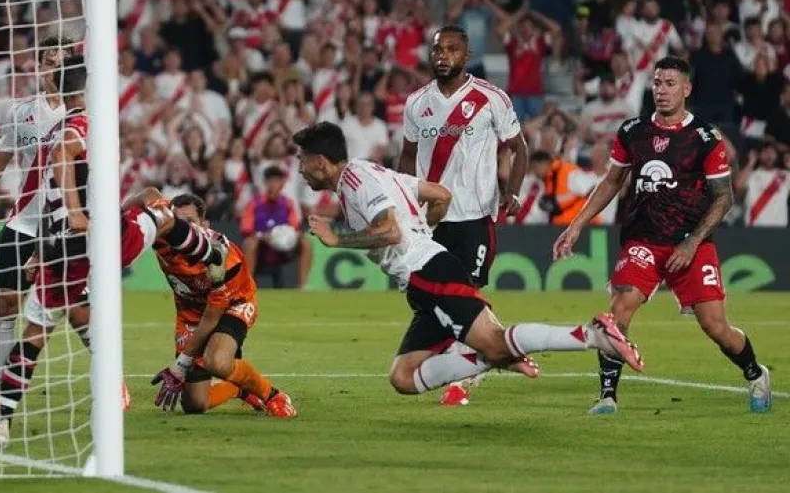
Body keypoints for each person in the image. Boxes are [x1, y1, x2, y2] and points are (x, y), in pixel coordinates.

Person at [0, 58, 233, 449]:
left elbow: (50, 193)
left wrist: (42, 252)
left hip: (62, 246)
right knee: (159, 213)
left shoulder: (58, 128)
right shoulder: (82, 127)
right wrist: (79, 212)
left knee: (35, 335)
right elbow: (65, 157)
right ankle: (210, 252)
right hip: (100, 237)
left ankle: (1, 424)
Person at [294, 122, 644, 402]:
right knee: (403, 377)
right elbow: (440, 195)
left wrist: (337, 239)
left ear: (320, 161)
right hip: (423, 277)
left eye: (302, 160)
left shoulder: (355, 181)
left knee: (494, 340)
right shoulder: (370, 173)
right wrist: (422, 229)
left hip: (428, 272)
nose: (299, 169)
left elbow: (389, 231)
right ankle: (495, 356)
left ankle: (590, 334)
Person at [553, 57, 772, 415]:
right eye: (656, 83)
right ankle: (607, 395)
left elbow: (725, 197)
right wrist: (577, 223)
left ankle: (754, 372)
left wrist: (692, 242)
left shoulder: (704, 137)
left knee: (715, 326)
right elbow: (612, 181)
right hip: (643, 238)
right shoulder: (632, 131)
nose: (661, 90)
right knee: (620, 307)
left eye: (670, 83)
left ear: (686, 89)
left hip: (691, 241)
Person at [398, 24, 529, 406]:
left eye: (452, 49)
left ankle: (467, 376)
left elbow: (519, 148)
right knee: (430, 299)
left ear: (466, 55)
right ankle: (490, 349)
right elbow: (407, 157)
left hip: (473, 216)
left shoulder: (491, 98)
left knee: (466, 294)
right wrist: (405, 201)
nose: (443, 56)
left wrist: (513, 191)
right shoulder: (415, 103)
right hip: (430, 220)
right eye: (437, 49)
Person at [0, 36, 71, 415]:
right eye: (49, 60)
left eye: (61, 60)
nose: (55, 67)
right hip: (24, 223)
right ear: (40, 68)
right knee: (6, 304)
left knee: (82, 309)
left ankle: (112, 385)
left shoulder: (86, 114)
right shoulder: (21, 112)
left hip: (68, 226)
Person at [148, 193, 297, 418]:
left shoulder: (222, 258)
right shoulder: (162, 239)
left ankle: (272, 395)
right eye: (178, 222)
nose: (183, 229)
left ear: (204, 224)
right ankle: (238, 387)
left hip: (234, 303)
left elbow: (212, 317)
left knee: (217, 361)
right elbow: (147, 196)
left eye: (190, 222)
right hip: (190, 314)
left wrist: (181, 364)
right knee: (194, 405)